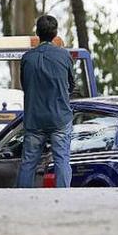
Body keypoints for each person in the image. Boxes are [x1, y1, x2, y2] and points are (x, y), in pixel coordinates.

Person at [16, 15, 74, 188]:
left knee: (28, 163)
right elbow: (71, 85)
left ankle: (22, 198)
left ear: (37, 33)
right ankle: (63, 197)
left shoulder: (27, 58)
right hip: (59, 118)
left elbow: (25, 85)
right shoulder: (64, 56)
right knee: (62, 160)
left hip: (35, 119)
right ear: (55, 33)